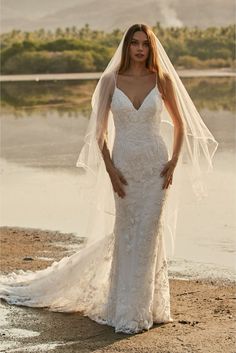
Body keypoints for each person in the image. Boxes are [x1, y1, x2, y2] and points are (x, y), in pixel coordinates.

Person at [0, 23, 218, 335]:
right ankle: (124, 308)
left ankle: (146, 308)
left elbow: (182, 126)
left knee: (149, 234)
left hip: (155, 168)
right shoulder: (110, 81)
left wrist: (173, 161)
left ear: (151, 48)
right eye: (134, 43)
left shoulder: (163, 80)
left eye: (145, 43)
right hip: (124, 168)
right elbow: (99, 133)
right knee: (128, 233)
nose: (140, 49)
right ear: (127, 46)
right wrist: (110, 169)